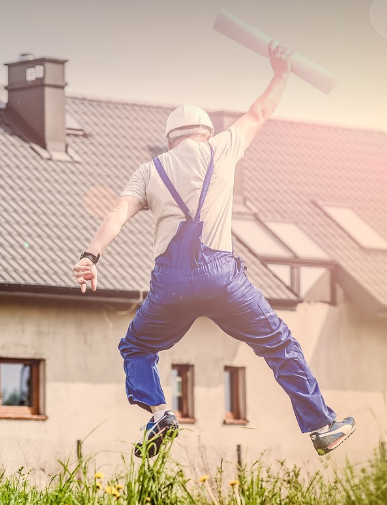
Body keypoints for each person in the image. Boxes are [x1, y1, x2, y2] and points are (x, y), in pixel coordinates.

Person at [72, 41, 355, 458]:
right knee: (278, 345)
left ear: (170, 140)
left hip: (170, 287)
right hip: (223, 280)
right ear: (204, 132)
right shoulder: (221, 149)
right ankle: (322, 426)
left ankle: (160, 413)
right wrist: (281, 73)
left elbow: (117, 212)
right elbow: (259, 112)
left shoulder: (149, 170)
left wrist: (90, 257)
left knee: (136, 347)